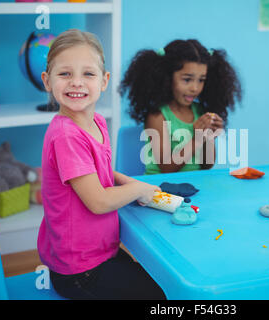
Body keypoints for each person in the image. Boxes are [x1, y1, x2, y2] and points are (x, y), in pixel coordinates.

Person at [38, 29, 165, 300]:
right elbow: (98, 202)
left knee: (160, 277)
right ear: (47, 81)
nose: (76, 83)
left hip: (98, 252)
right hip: (79, 271)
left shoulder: (95, 122)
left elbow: (95, 172)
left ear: (104, 80)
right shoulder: (66, 136)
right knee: (161, 295)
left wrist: (124, 181)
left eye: (88, 74)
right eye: (65, 74)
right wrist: (140, 189)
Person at [120, 39, 242, 174]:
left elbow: (207, 165)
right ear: (167, 78)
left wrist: (208, 136)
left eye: (201, 80)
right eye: (187, 79)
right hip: (160, 187)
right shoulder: (157, 116)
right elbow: (167, 168)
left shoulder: (200, 111)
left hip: (193, 185)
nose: (195, 88)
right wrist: (197, 139)